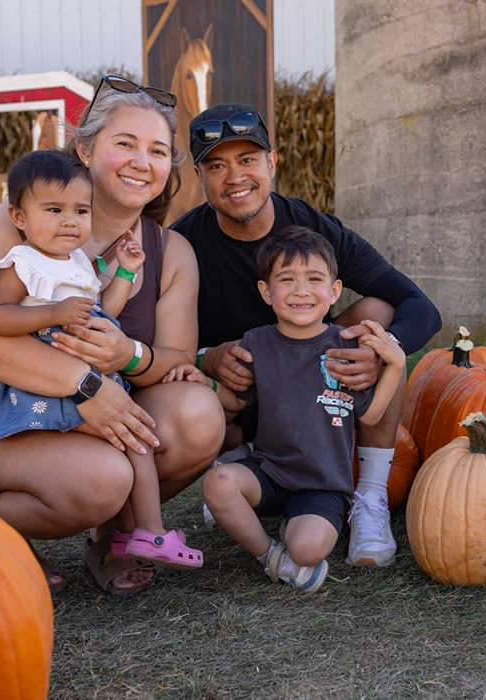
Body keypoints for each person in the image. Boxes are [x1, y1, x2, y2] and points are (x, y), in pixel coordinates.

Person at [0, 75, 224, 594]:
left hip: (95, 410)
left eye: (158, 151)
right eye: (125, 144)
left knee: (199, 416)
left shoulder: (170, 252)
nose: (143, 161)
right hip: (5, 410)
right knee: (101, 479)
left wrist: (127, 354)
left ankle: (114, 537)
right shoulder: (26, 221)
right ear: (84, 150)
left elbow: (176, 358)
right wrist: (87, 386)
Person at [171, 103, 442, 568]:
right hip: (237, 395)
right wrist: (205, 357)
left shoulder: (314, 230)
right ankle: (232, 467)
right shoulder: (183, 243)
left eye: (247, 160)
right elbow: (156, 345)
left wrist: (380, 353)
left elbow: (420, 308)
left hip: (317, 392)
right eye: (217, 165)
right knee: (185, 385)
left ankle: (370, 497)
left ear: (272, 163)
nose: (234, 177)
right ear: (200, 176)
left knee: (377, 316)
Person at [165, 227, 405, 592]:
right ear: (266, 291)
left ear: (335, 290)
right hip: (269, 472)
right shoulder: (256, 342)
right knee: (218, 484)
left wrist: (398, 366)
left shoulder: (344, 349)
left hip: (321, 485)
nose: (301, 290)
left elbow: (370, 417)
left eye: (314, 279)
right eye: (286, 279)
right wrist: (205, 383)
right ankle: (270, 556)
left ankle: (297, 530)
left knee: (308, 549)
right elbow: (236, 401)